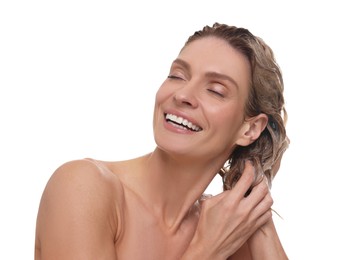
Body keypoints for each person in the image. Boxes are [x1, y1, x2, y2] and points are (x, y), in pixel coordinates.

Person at [35, 22, 290, 259]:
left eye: (215, 90)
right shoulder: (83, 187)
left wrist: (258, 213)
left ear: (250, 129)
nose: (182, 94)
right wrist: (206, 250)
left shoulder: (226, 225)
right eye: (177, 76)